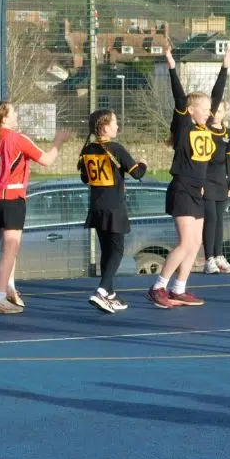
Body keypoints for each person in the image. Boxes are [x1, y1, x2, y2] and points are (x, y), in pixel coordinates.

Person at [145, 41, 230, 308]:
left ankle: (179, 288)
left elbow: (216, 96)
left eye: (210, 109)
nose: (209, 112)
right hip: (183, 188)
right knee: (185, 243)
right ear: (191, 110)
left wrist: (225, 68)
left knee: (195, 244)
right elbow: (178, 96)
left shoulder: (206, 125)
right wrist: (171, 65)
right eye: (204, 109)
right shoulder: (184, 126)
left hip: (199, 189)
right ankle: (158, 286)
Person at [0, 102, 71, 314]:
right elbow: (46, 160)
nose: (17, 114)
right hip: (11, 197)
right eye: (13, 111)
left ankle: (8, 287)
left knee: (7, 248)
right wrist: (58, 142)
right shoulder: (17, 139)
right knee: (10, 249)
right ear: (4, 118)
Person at [78, 108, 148, 312]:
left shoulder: (88, 149)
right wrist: (143, 163)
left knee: (106, 250)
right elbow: (137, 173)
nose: (117, 126)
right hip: (114, 207)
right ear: (105, 127)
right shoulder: (115, 148)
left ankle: (109, 293)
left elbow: (85, 178)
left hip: (97, 206)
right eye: (115, 122)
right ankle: (100, 291)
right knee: (117, 250)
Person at [203, 99, 230, 274]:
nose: (216, 115)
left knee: (219, 220)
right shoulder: (204, 130)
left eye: (220, 111)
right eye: (213, 111)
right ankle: (208, 258)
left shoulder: (228, 133)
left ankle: (219, 256)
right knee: (211, 219)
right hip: (206, 179)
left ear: (225, 112)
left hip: (220, 181)